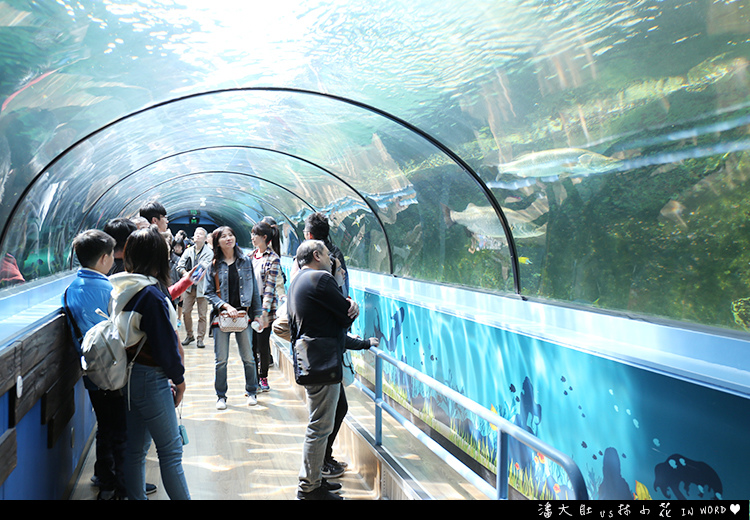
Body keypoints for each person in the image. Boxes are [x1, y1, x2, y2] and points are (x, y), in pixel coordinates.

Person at [287, 240, 377, 500]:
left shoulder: (298, 280)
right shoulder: (321, 279)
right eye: (327, 254)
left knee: (335, 412)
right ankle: (309, 488)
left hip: (311, 361)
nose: (331, 259)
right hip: (323, 364)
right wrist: (353, 306)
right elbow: (345, 314)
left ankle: (317, 478)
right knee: (319, 427)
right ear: (317, 255)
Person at [111, 226, 190, 500]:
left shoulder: (125, 288)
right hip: (152, 380)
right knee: (171, 452)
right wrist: (179, 381)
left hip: (131, 378)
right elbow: (165, 348)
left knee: (135, 451)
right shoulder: (153, 296)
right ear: (159, 257)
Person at [63, 229, 126, 500]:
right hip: (115, 370)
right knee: (121, 429)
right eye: (112, 254)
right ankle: (124, 486)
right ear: (104, 258)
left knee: (105, 423)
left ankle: (105, 476)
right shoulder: (110, 289)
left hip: (90, 369)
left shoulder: (70, 289)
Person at [299, 212, 350, 478]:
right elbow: (344, 307)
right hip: (325, 350)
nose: (333, 262)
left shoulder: (305, 272)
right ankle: (312, 480)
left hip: (319, 350)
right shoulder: (323, 271)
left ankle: (316, 475)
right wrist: (349, 310)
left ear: (308, 235)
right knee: (322, 421)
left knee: (327, 415)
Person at [205, 226, 264, 409]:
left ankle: (252, 391)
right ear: (217, 242)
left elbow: (253, 290)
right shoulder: (213, 265)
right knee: (221, 359)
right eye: (223, 236)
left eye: (231, 235)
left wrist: (258, 314)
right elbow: (209, 293)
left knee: (248, 357)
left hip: (243, 316)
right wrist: (225, 306)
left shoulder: (245, 261)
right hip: (222, 317)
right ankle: (221, 396)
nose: (228, 238)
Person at [250, 221, 282, 392]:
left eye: (255, 234)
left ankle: (263, 377)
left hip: (265, 306)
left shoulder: (273, 258)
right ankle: (253, 378)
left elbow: (270, 288)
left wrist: (263, 312)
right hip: (251, 304)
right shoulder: (250, 257)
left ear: (264, 237)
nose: (252, 238)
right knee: (251, 344)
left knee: (262, 344)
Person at [176, 227, 213, 348]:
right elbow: (180, 265)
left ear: (206, 238)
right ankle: (189, 335)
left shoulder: (209, 252)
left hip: (202, 287)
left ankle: (200, 338)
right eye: (196, 233)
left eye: (201, 234)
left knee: (202, 314)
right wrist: (185, 274)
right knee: (186, 311)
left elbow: (205, 268)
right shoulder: (188, 251)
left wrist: (193, 277)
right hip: (188, 287)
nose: (197, 235)